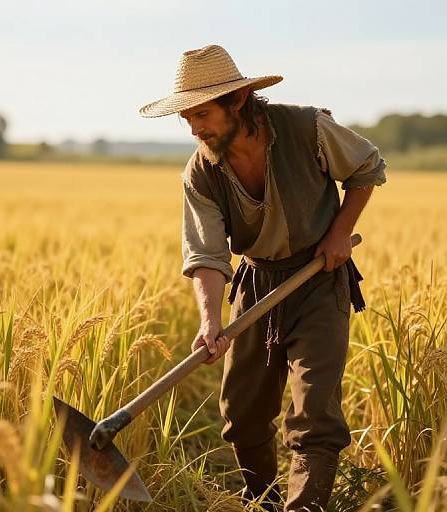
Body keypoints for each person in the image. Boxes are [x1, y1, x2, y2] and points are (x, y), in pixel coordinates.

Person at [139, 44, 386, 512]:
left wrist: (339, 233)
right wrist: (210, 321)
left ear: (238, 100)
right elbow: (207, 254)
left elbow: (367, 167)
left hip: (318, 278)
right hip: (255, 286)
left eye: (202, 114)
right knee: (244, 413)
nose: (194, 128)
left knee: (314, 415)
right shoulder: (201, 171)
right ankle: (263, 504)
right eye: (186, 118)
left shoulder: (306, 127)